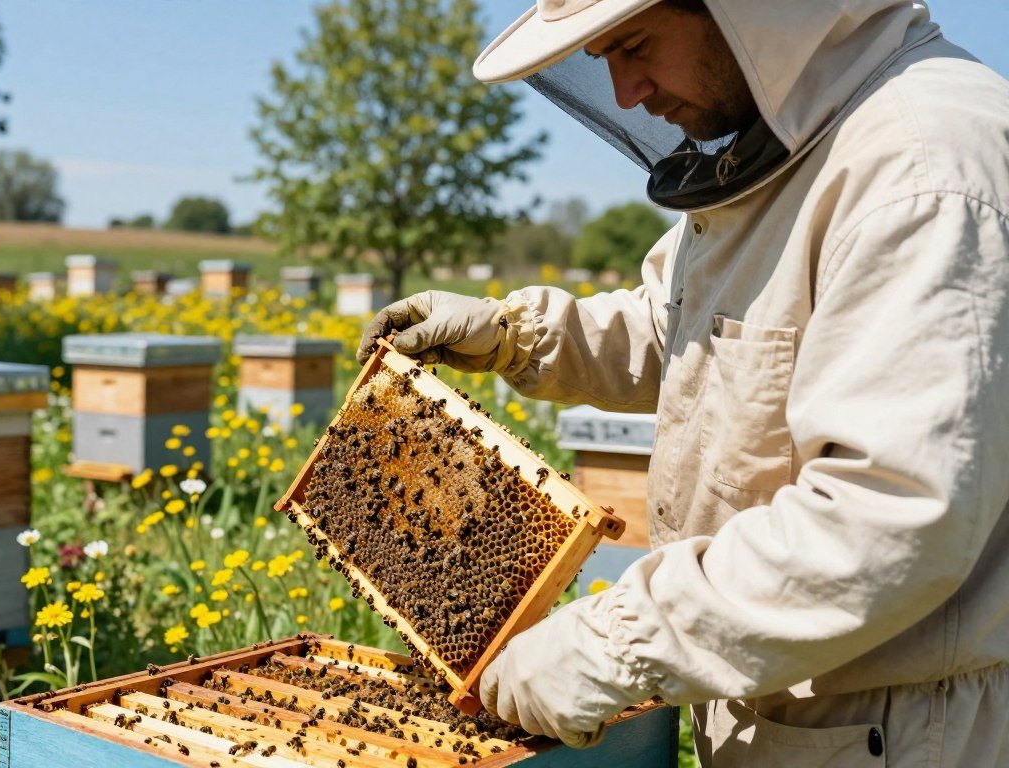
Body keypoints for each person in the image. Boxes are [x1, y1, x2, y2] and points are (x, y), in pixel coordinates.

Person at [359, 0, 1009, 764]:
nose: (628, 91)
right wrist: (514, 335)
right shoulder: (787, 152)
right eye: (602, 59)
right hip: (785, 701)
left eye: (633, 44)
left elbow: (890, 514)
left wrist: (613, 643)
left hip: (911, 732)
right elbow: (692, 333)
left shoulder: (921, 170)